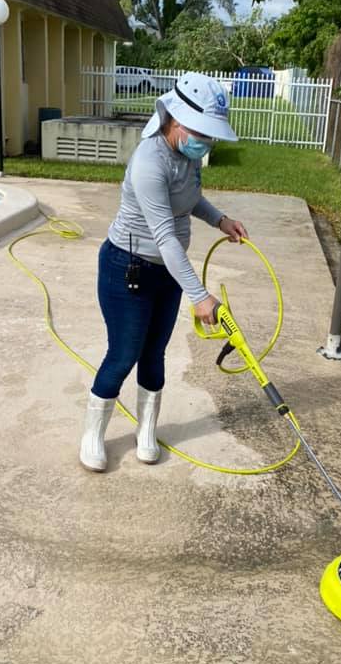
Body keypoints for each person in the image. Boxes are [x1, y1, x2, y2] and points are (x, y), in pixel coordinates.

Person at [80, 71, 248, 472]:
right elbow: (166, 237)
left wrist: (219, 219)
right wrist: (200, 295)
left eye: (209, 136)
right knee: (124, 354)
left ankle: (146, 431)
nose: (204, 142)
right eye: (199, 133)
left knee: (155, 355)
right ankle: (92, 434)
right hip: (128, 269)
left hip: (165, 274)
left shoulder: (187, 157)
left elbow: (190, 199)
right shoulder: (148, 163)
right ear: (173, 120)